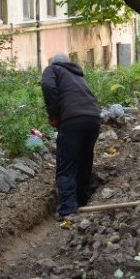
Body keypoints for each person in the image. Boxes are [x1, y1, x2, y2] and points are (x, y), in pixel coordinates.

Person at [41, 52, 101, 220]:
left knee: (66, 165)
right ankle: (82, 202)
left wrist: (54, 115)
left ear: (54, 63)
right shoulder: (78, 75)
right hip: (94, 119)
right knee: (84, 162)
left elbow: (47, 86)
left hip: (73, 121)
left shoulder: (52, 69)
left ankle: (67, 209)